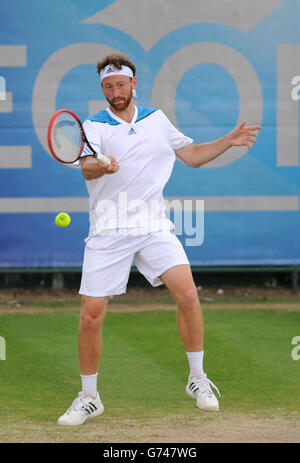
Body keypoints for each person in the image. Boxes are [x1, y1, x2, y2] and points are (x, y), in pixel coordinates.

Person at [57, 53, 261, 426]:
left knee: (188, 293)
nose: (115, 92)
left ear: (133, 84)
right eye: (108, 86)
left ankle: (197, 378)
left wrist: (228, 140)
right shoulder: (94, 125)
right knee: (90, 317)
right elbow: (85, 167)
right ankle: (89, 397)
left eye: (120, 84)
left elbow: (194, 156)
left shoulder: (156, 120)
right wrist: (101, 164)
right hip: (109, 228)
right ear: (102, 89)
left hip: (153, 226)